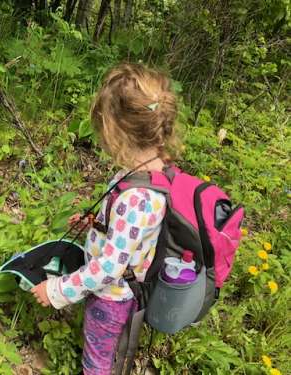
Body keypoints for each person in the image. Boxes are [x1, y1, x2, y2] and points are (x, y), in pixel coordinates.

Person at [31, 62, 179, 375]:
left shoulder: (137, 198)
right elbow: (128, 233)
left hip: (111, 298)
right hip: (122, 285)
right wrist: (95, 224)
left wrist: (56, 290)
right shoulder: (151, 172)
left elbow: (109, 268)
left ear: (117, 133)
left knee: (97, 361)